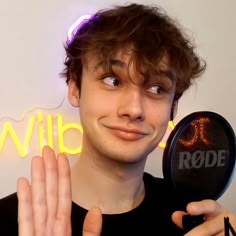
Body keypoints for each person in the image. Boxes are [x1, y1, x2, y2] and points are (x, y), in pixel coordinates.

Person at [0, 3, 235, 236]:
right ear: (74, 87)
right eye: (112, 80)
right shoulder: (10, 219)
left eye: (156, 88)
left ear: (173, 106)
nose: (133, 109)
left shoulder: (195, 218)